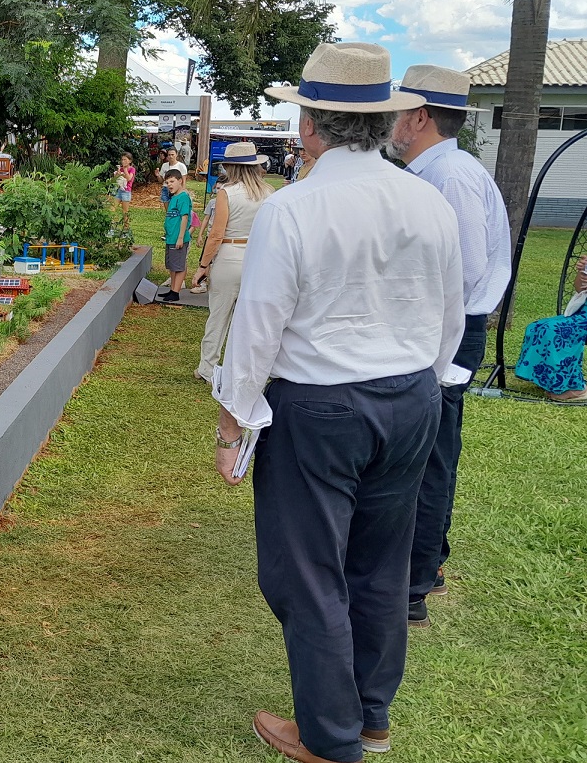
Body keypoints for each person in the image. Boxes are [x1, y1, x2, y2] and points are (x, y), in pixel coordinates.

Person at [212, 42, 464, 763]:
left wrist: (233, 424)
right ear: (383, 121)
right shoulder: (427, 200)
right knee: (380, 563)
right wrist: (426, 379)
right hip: (411, 395)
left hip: (319, 406)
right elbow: (448, 313)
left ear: (310, 125)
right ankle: (369, 715)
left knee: (307, 570)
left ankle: (330, 735)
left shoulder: (294, 208)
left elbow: (258, 324)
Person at [385, 64, 512, 628]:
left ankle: (413, 582)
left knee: (429, 456)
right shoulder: (438, 170)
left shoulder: (449, 176)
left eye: (397, 111)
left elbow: (462, 271)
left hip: (448, 329)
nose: (389, 122)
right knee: (431, 450)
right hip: (442, 326)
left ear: (418, 117)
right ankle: (426, 562)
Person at [192, 143, 272, 383]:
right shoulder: (269, 192)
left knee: (218, 317)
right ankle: (249, 369)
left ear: (230, 167)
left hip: (229, 255)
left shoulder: (227, 192)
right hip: (257, 258)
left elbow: (216, 234)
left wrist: (203, 265)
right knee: (252, 320)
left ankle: (207, 368)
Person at [516, 255, 587, 401]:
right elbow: (579, 288)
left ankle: (575, 387)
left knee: (555, 331)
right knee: (538, 327)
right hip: (582, 313)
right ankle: (546, 378)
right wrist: (582, 273)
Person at [157, 170, 190, 302]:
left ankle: (176, 292)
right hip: (170, 238)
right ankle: (172, 289)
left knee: (179, 266)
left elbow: (184, 217)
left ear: (180, 181)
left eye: (172, 181)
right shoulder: (173, 197)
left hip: (178, 238)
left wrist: (180, 237)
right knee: (172, 265)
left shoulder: (183, 197)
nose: (169, 185)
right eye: (167, 182)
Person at [112, 152, 135, 230]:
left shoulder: (132, 169)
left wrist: (125, 170)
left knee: (125, 212)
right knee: (112, 209)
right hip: (119, 191)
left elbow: (129, 179)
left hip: (126, 192)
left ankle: (126, 229)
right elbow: (114, 180)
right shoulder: (120, 169)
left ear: (130, 161)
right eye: (122, 159)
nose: (123, 161)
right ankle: (111, 226)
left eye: (125, 159)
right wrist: (117, 174)